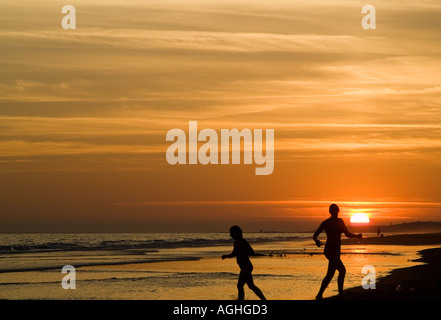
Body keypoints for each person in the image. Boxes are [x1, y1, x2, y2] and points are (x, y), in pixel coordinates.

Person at [313, 204, 362, 299]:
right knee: (342, 270)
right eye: (333, 211)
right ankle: (341, 295)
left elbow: (347, 234)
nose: (335, 212)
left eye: (336, 210)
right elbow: (314, 235)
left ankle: (319, 295)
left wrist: (357, 236)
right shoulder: (326, 223)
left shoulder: (340, 221)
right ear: (330, 212)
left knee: (330, 274)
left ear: (338, 211)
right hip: (329, 250)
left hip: (337, 250)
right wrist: (317, 241)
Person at [222, 225, 266, 300]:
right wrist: (226, 256)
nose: (230, 235)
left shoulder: (243, 242)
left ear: (236, 233)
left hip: (247, 267)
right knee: (251, 286)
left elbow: (252, 252)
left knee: (240, 285)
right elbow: (234, 253)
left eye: (231, 233)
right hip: (244, 267)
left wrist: (242, 251)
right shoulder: (236, 242)